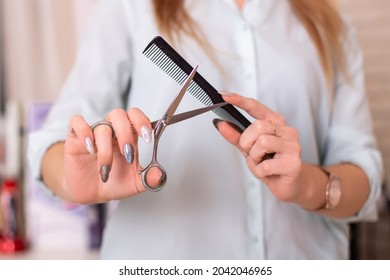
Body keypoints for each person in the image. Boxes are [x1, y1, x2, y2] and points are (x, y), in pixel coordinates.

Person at [27, 0, 383, 259]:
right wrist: (75, 179)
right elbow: (51, 144)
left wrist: (306, 183)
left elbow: (365, 177)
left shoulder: (328, 25)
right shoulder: (130, 8)